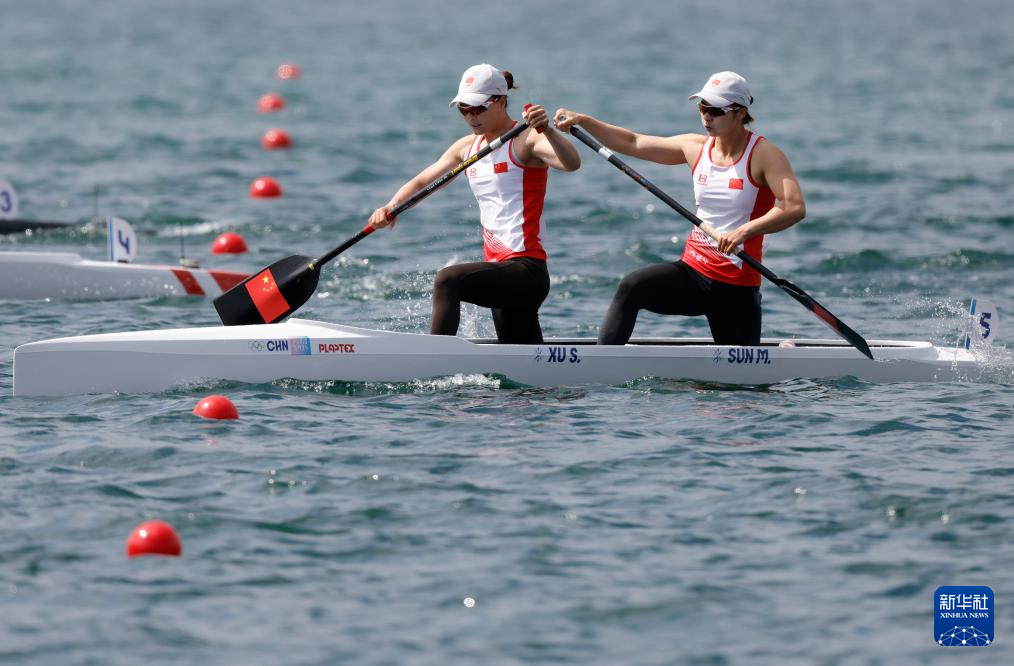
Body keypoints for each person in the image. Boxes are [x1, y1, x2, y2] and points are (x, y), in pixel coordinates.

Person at [554, 71, 805, 346]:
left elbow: (793, 206)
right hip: (693, 273)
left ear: (740, 112)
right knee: (632, 287)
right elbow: (632, 142)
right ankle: (602, 362)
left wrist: (744, 232)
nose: (706, 116)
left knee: (740, 372)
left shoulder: (764, 155)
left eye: (715, 110)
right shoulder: (695, 147)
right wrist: (584, 120)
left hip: (736, 284)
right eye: (702, 107)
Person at [368, 63, 581, 343]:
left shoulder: (526, 140)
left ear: (501, 101)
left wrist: (548, 131)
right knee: (524, 360)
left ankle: (435, 360)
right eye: (464, 109)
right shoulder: (467, 147)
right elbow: (422, 182)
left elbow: (571, 163)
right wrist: (391, 206)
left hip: (525, 270)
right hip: (499, 270)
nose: (471, 116)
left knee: (448, 280)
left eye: (479, 108)